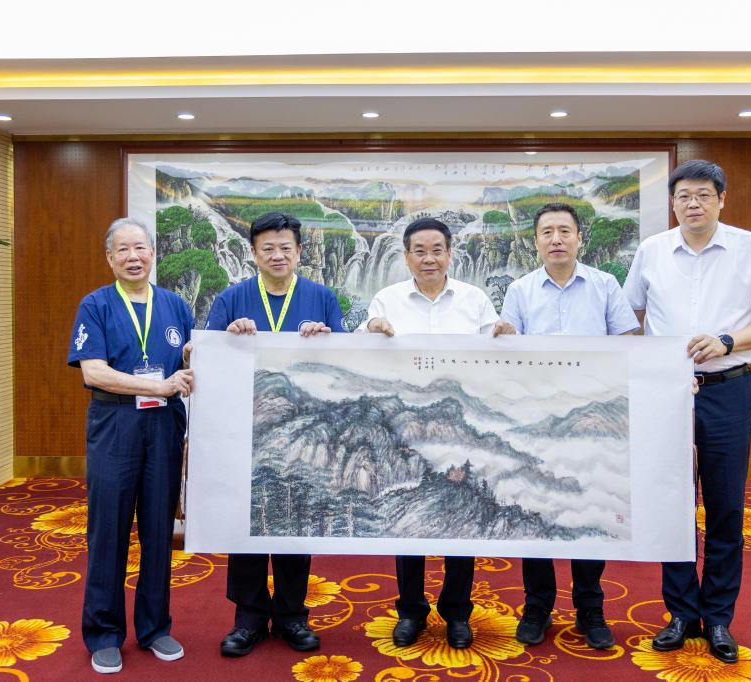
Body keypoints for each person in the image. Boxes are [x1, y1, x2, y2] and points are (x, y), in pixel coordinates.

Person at [622, 160, 751, 664]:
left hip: (728, 389)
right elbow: (630, 318)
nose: (692, 204)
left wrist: (727, 340)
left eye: (702, 195)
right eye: (683, 196)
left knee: (725, 506)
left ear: (721, 199)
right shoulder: (652, 250)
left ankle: (718, 617)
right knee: (671, 504)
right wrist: (649, 369)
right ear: (672, 203)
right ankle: (680, 613)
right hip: (666, 393)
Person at [493, 202, 639, 650]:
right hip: (535, 417)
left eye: (564, 231)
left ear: (579, 237)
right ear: (535, 241)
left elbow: (629, 345)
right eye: (547, 232)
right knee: (535, 506)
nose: (556, 239)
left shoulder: (605, 285)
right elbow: (508, 354)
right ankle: (537, 605)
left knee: (590, 507)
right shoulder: (519, 290)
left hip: (593, 415)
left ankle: (590, 608)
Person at [205, 212, 344, 658]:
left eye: (286, 247)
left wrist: (327, 339)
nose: (278, 255)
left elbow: (345, 365)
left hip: (304, 432)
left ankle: (291, 616)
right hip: (242, 431)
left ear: (300, 252)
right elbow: (204, 358)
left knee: (294, 516)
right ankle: (247, 618)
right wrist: (228, 338)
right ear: (253, 253)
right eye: (268, 248)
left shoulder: (321, 298)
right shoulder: (231, 299)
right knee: (245, 520)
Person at [363, 216, 499, 649]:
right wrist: (370, 332)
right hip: (407, 426)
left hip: (460, 425)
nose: (429, 258)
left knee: (462, 514)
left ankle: (457, 612)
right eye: (419, 251)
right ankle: (411, 611)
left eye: (437, 250)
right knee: (409, 514)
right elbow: (360, 356)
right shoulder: (386, 301)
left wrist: (506, 337)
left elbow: (497, 357)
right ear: (406, 257)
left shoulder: (475, 301)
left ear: (449, 254)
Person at [68, 217, 195, 675]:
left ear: (153, 253)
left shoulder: (175, 305)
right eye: (122, 250)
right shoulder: (95, 305)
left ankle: (155, 627)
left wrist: (196, 359)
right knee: (109, 529)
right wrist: (159, 386)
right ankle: (104, 633)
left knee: (159, 528)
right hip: (115, 424)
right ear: (110, 258)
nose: (132, 257)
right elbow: (93, 371)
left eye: (139, 247)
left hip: (163, 427)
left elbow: (190, 358)